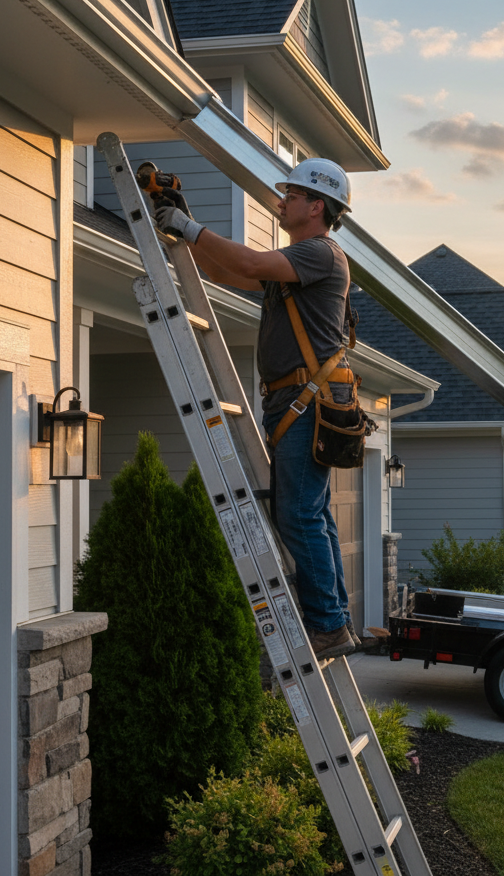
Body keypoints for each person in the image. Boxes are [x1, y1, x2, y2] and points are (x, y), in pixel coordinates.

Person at [152, 158, 358, 660]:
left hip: (306, 401)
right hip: (300, 401)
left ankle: (328, 625)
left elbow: (246, 263)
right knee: (313, 515)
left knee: (298, 517)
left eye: (291, 194)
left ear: (317, 206)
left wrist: (188, 226)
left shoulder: (321, 254)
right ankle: (335, 619)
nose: (281, 200)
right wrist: (185, 223)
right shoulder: (295, 266)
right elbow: (226, 269)